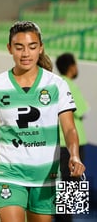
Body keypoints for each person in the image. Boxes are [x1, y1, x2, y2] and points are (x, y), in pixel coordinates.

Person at [0, 21, 85, 222]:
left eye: (32, 46)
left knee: (65, 212)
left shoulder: (58, 85)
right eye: (19, 47)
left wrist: (75, 154)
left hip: (47, 174)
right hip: (8, 173)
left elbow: (70, 127)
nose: (26, 53)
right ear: (9, 48)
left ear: (41, 48)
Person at [55, 52, 89, 222]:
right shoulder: (71, 86)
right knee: (70, 192)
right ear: (71, 67)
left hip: (58, 144)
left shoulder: (56, 85)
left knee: (61, 190)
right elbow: (82, 111)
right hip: (73, 145)